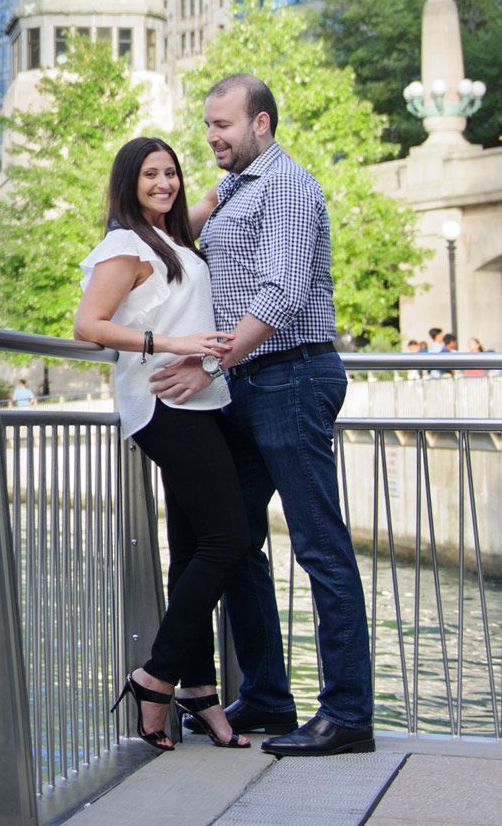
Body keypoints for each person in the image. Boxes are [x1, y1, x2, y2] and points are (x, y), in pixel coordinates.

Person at [151, 73, 375, 757]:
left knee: (318, 544)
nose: (212, 136)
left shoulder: (288, 187)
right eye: (208, 125)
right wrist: (196, 193)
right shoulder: (239, 191)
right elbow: (161, 237)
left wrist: (208, 363)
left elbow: (280, 294)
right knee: (235, 540)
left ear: (263, 123)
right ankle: (271, 696)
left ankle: (348, 713)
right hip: (248, 384)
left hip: (291, 376)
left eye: (224, 125)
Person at [75, 135, 246, 752]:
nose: (164, 184)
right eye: (150, 175)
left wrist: (245, 158)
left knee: (196, 546)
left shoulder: (171, 238)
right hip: (163, 403)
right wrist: (170, 344)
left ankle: (198, 691)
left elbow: (208, 196)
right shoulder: (125, 244)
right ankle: (155, 676)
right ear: (129, 181)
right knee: (230, 538)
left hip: (201, 403)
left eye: (170, 173)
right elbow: (88, 324)